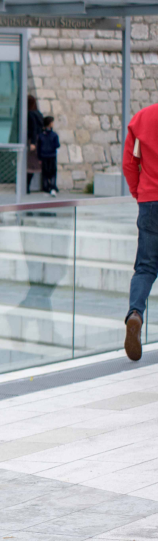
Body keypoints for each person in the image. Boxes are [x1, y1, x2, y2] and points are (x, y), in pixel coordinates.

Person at [123, 102, 158, 361]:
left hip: (150, 202)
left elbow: (128, 163)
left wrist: (140, 193)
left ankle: (135, 314)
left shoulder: (141, 118)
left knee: (145, 267)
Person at [37, 116, 60, 196]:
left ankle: (46, 186)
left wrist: (39, 157)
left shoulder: (41, 135)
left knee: (45, 172)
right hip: (51, 155)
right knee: (52, 172)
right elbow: (57, 145)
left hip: (44, 156)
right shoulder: (54, 135)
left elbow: (39, 147)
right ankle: (52, 186)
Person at [26, 96, 44, 193]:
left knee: (29, 165)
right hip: (39, 141)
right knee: (33, 164)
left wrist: (32, 142)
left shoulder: (30, 114)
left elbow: (33, 128)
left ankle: (26, 186)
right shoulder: (38, 114)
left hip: (33, 141)